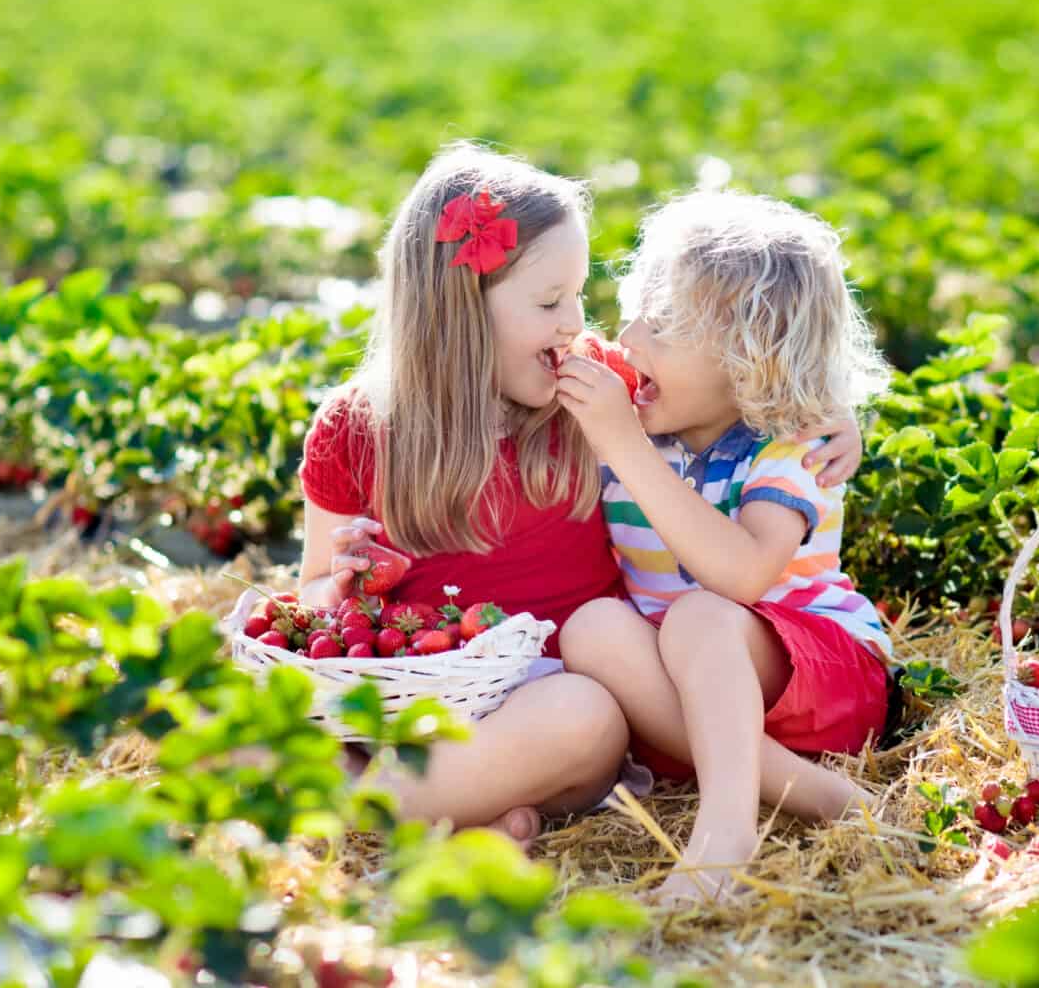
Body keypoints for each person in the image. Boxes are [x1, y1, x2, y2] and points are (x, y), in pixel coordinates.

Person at [294, 145, 863, 845]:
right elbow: (313, 595)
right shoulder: (355, 431)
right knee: (261, 722)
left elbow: (732, 376)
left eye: (579, 294)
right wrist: (339, 584)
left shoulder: (591, 388)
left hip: (562, 701)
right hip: (422, 703)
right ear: (458, 312)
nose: (576, 323)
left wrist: (834, 419)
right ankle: (442, 808)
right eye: (548, 301)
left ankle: (359, 808)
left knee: (585, 715)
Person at [556, 190, 894, 899]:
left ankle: (725, 836)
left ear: (752, 363)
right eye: (639, 310)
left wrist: (620, 441)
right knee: (589, 629)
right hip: (690, 703)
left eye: (668, 325)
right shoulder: (634, 431)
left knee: (702, 613)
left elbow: (742, 576)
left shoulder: (790, 448)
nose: (631, 339)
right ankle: (817, 795)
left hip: (817, 672)